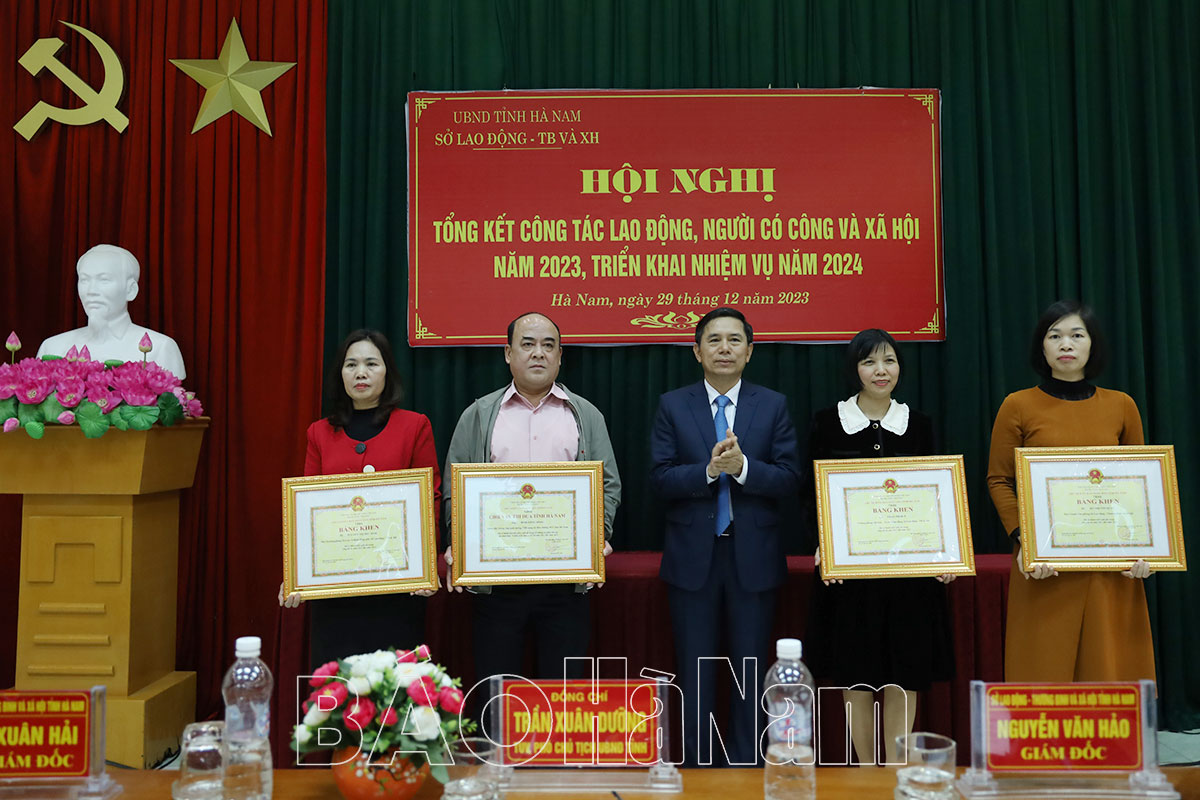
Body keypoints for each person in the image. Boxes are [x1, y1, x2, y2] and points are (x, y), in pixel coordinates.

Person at [650, 307, 801, 767]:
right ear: (697, 351)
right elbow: (659, 479)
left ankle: (746, 766)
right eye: (714, 340)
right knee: (695, 671)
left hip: (752, 557)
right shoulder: (672, 404)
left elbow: (790, 478)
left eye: (734, 340)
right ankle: (697, 769)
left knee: (749, 672)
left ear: (749, 351)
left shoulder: (772, 404)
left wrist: (744, 469)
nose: (724, 348)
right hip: (692, 559)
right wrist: (710, 470)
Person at [442, 312, 620, 685]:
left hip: (565, 584)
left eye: (548, 345)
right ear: (508, 353)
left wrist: (597, 535)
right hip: (496, 584)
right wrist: (458, 541)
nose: (538, 353)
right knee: (497, 693)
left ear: (560, 356)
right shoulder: (478, 415)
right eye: (527, 344)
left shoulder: (586, 415)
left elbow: (607, 485)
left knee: (562, 693)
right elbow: (455, 490)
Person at [802, 329, 955, 765]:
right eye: (869, 362)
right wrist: (825, 543)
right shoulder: (827, 421)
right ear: (854, 369)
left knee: (904, 674)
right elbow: (811, 493)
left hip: (910, 576)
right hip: (851, 574)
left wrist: (945, 551)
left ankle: (897, 769)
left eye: (889, 361)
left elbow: (935, 494)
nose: (880, 370)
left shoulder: (918, 423)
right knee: (856, 672)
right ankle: (867, 770)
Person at [987, 301, 1154, 682]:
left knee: (1108, 678)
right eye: (1055, 335)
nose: (1066, 344)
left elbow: (1140, 486)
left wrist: (1145, 548)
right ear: (1041, 346)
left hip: (1109, 566)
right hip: (1045, 567)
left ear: (1093, 345)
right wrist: (1026, 540)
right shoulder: (1017, 405)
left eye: (1077, 335)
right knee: (1042, 677)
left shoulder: (1122, 405)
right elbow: (999, 480)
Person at [279, 329, 441, 667]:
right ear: (340, 374)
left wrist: (427, 566)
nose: (361, 372)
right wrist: (297, 572)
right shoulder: (319, 433)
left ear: (387, 372)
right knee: (337, 688)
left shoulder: (414, 426)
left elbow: (431, 499)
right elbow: (307, 510)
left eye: (371, 363)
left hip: (397, 588)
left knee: (394, 689)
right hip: (336, 592)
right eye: (351, 365)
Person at [38, 244, 187, 379]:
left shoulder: (161, 348)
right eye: (84, 280)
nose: (91, 291)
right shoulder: (52, 347)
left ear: (131, 290)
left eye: (104, 280)